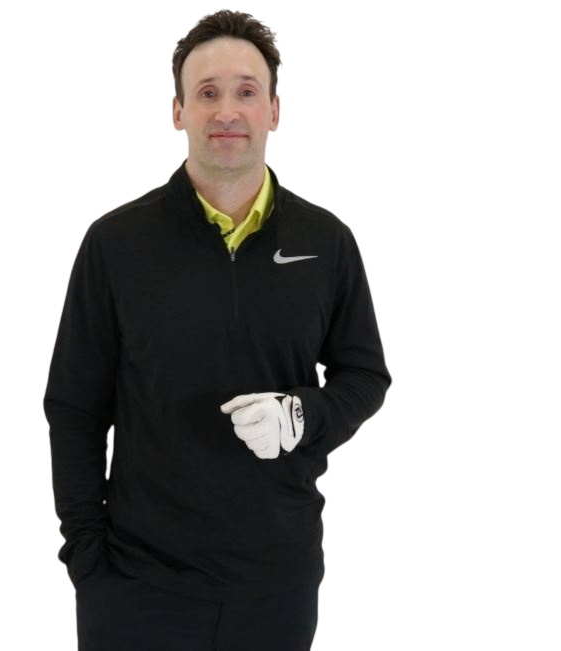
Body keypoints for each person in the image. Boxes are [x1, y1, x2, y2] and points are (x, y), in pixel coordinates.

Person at [45, 8, 390, 650]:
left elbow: (365, 374)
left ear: (274, 112)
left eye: (246, 92)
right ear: (177, 112)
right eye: (206, 93)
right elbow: (75, 406)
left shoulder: (328, 242)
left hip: (278, 587)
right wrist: (87, 559)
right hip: (135, 587)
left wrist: (302, 415)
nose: (226, 111)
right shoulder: (115, 244)